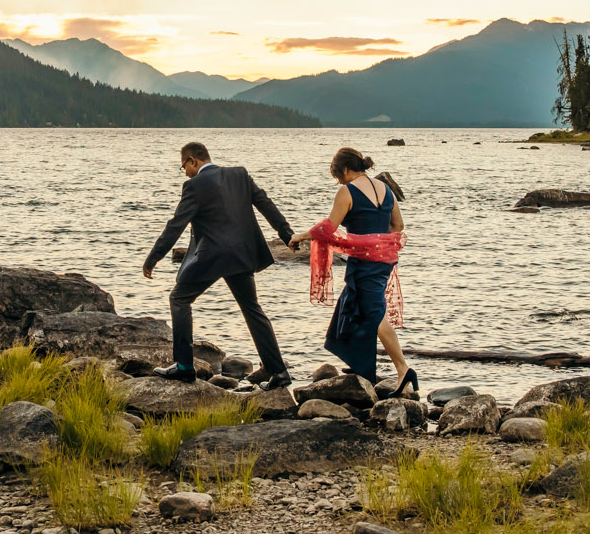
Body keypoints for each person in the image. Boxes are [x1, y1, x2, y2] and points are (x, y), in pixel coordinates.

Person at [142, 141, 297, 385]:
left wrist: (154, 257)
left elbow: (176, 225)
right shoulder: (240, 175)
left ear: (193, 160)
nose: (185, 172)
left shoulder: (194, 185)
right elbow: (266, 204)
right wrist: (287, 235)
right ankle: (278, 371)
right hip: (242, 255)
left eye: (184, 167)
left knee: (179, 299)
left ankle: (184, 366)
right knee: (253, 310)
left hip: (212, 257)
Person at [292, 147, 413, 395]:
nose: (337, 180)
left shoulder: (347, 191)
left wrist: (301, 236)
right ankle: (359, 363)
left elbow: (328, 228)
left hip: (366, 262)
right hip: (383, 260)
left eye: (338, 174)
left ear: (346, 169)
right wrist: (378, 244)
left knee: (374, 312)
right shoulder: (385, 188)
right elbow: (398, 225)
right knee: (353, 303)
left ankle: (403, 370)